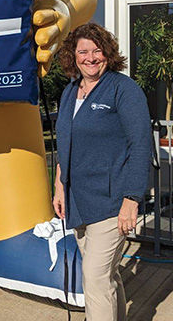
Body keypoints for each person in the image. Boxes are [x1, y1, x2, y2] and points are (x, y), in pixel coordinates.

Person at [53, 22, 151, 321]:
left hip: (111, 202)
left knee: (94, 279)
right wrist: (59, 186)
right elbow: (65, 142)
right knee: (107, 276)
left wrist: (131, 200)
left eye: (97, 51)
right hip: (79, 202)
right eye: (83, 51)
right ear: (73, 56)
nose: (90, 58)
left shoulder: (123, 89)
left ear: (108, 54)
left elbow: (141, 146)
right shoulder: (71, 91)